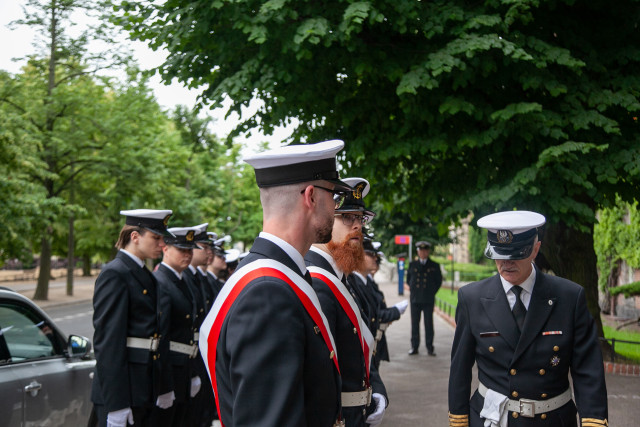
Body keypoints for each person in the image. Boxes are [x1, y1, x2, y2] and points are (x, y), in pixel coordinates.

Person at [199, 140, 352, 426]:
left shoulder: (279, 278)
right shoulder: (269, 292)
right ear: (311, 196)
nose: (336, 207)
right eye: (334, 195)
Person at [448, 210, 608, 427]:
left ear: (535, 248)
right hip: (492, 419)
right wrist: (459, 420)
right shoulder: (472, 298)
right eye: (499, 255)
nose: (506, 263)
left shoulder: (569, 297)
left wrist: (593, 421)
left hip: (551, 420)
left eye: (516, 254)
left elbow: (588, 370)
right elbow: (460, 369)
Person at [304, 177, 395, 427]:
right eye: (347, 217)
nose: (357, 226)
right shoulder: (317, 282)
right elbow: (318, 375)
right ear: (324, 221)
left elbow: (357, 351)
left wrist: (376, 389)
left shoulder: (340, 277)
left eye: (360, 218)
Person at [91, 209, 175, 427]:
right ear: (134, 237)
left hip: (143, 386)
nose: (161, 244)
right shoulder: (115, 273)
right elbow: (109, 342)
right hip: (124, 390)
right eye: (155, 238)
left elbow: (158, 336)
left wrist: (163, 385)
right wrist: (117, 404)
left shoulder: (144, 274)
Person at [153, 227, 201, 427]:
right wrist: (164, 385)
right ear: (165, 249)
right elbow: (161, 336)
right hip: (170, 369)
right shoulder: (161, 281)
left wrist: (193, 372)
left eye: (190, 250)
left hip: (184, 367)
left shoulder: (182, 281)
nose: (187, 255)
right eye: (182, 250)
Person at [406, 240, 442, 356]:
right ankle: (414, 347)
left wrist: (431, 292)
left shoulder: (434, 265)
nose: (423, 252)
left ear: (428, 251)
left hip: (428, 299)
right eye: (421, 250)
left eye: (425, 250)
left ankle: (430, 347)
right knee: (414, 324)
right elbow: (408, 280)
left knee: (428, 324)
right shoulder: (412, 265)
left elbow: (438, 281)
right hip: (415, 299)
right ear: (417, 251)